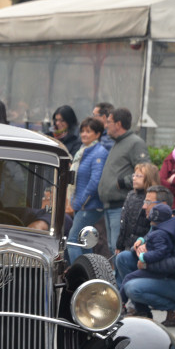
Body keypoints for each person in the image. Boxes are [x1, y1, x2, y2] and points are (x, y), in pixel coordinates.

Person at [120, 185, 175, 327]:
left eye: (148, 202)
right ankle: (142, 311)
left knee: (132, 287)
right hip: (161, 274)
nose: (144, 206)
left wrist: (147, 263)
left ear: (162, 205)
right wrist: (138, 246)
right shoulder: (162, 220)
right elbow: (149, 242)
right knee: (123, 258)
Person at [98, 107, 150, 253]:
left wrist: (123, 182)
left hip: (120, 206)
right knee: (112, 247)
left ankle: (119, 277)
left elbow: (146, 169)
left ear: (118, 124)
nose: (106, 125)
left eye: (109, 122)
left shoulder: (135, 143)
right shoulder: (119, 142)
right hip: (109, 206)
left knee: (117, 248)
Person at [119, 203, 175, 307]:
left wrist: (144, 257)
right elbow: (151, 238)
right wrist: (142, 240)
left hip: (156, 269)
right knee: (130, 276)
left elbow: (160, 251)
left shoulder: (160, 233)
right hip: (156, 267)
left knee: (129, 278)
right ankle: (127, 305)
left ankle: (119, 304)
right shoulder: (163, 230)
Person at [67, 117, 109, 264]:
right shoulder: (83, 151)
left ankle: (77, 275)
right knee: (85, 242)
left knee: (73, 240)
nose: (84, 134)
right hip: (82, 205)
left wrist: (81, 202)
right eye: (82, 131)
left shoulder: (99, 152)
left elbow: (95, 181)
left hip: (89, 206)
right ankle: (88, 274)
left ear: (97, 134)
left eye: (88, 131)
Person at [115, 162, 160, 260]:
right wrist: (119, 245)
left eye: (139, 176)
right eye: (134, 175)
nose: (134, 178)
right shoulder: (131, 195)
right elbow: (124, 223)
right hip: (126, 245)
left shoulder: (154, 199)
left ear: (149, 178)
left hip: (141, 247)